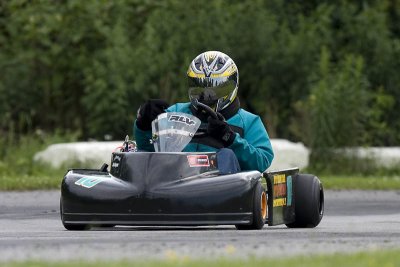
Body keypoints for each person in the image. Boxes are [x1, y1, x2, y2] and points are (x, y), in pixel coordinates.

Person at [134, 51, 274, 173]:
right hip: (174, 183)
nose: (207, 95)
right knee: (137, 155)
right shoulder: (176, 112)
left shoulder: (248, 121)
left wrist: (229, 137)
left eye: (216, 89)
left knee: (226, 155)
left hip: (222, 190)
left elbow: (262, 161)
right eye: (200, 88)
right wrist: (144, 124)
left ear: (232, 86)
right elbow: (148, 149)